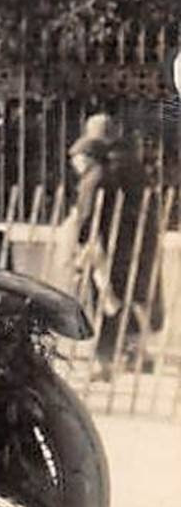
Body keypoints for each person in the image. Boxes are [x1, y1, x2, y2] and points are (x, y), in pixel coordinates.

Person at [69, 112, 164, 373]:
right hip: (141, 242)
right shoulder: (134, 164)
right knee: (135, 296)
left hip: (111, 244)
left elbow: (93, 214)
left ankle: (107, 359)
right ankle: (137, 351)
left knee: (107, 299)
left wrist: (84, 243)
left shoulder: (104, 168)